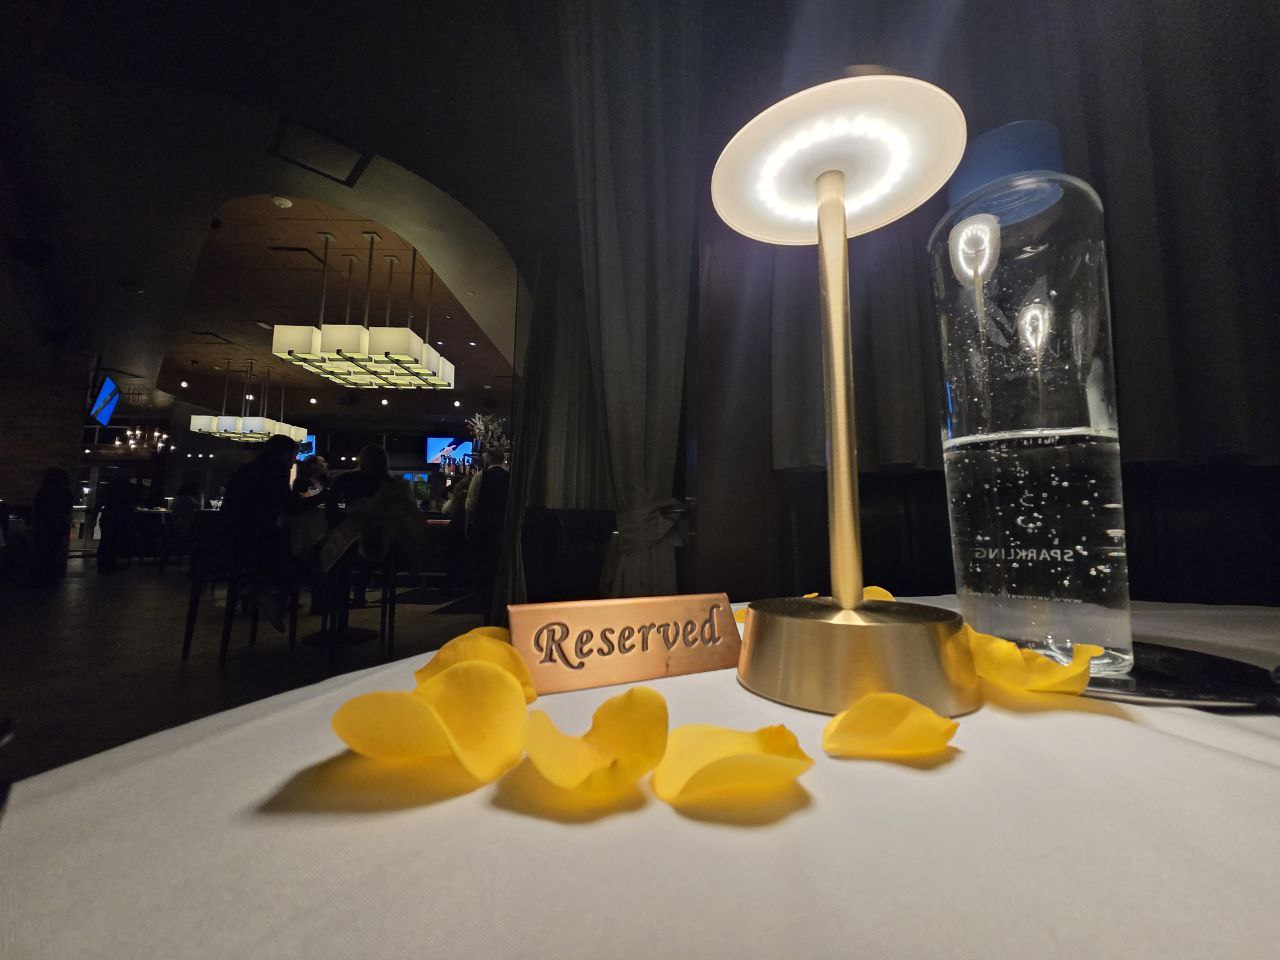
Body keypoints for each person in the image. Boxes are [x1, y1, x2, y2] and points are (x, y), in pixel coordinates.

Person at [220, 434, 301, 630]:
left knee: (282, 540)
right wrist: (324, 496)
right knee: (296, 551)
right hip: (247, 543)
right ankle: (269, 592)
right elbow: (293, 506)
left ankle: (258, 588)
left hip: (226, 541)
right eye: (292, 456)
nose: (293, 462)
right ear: (282, 455)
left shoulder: (249, 470)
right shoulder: (273, 473)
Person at [326, 445, 389, 608]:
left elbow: (330, 506)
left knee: (342, 564)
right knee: (368, 563)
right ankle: (360, 593)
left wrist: (336, 525)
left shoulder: (345, 479)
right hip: (379, 538)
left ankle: (338, 598)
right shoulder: (390, 483)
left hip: (347, 535)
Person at [472, 447, 510, 623]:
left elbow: (470, 504)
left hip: (484, 529)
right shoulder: (510, 478)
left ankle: (486, 606)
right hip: (503, 529)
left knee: (485, 569)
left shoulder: (481, 477)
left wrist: (468, 526)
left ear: (489, 458)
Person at [30, 467, 73, 584]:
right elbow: (67, 508)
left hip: (44, 524)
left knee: (42, 551)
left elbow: (38, 507)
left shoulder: (44, 492)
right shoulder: (65, 492)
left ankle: (41, 576)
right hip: (57, 526)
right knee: (52, 551)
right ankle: (50, 576)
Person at [94, 472, 137, 573]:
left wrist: (94, 515)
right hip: (119, 518)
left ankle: (104, 564)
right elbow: (130, 504)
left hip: (109, 517)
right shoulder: (126, 489)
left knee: (106, 541)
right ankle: (110, 563)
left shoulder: (109, 488)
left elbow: (100, 502)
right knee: (114, 542)